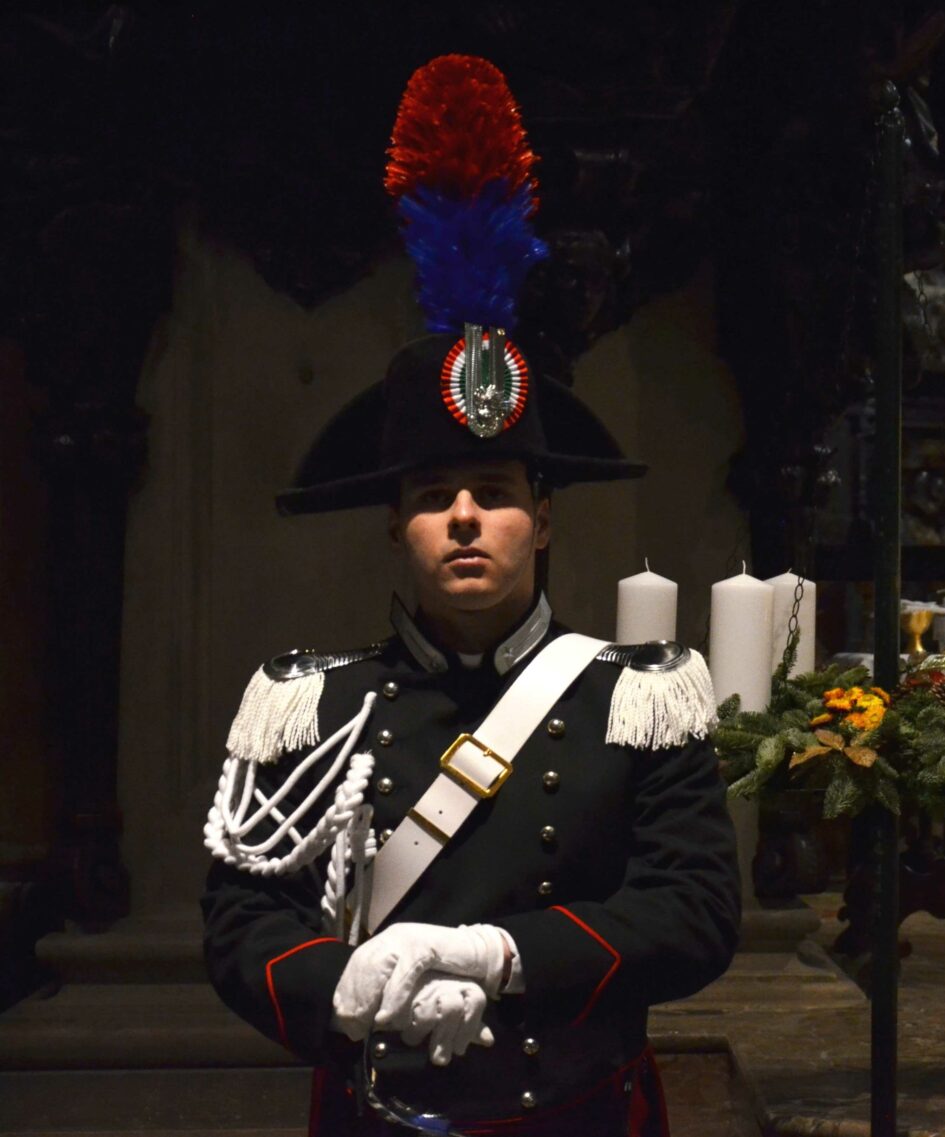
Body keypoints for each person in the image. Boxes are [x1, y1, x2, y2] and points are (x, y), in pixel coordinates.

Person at [200, 56, 739, 1136]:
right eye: (432, 495)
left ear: (542, 518)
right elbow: (241, 926)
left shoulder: (639, 698)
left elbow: (695, 915)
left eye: (492, 493)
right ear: (394, 526)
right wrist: (346, 993)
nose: (461, 517)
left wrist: (493, 955)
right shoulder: (307, 704)